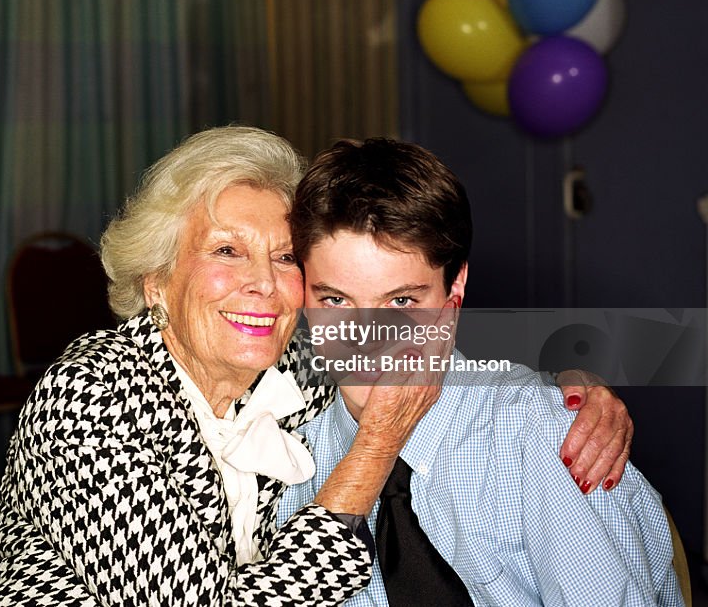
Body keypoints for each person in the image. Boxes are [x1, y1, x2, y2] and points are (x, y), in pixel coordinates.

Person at [0, 126, 633, 606]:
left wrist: (560, 395)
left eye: (286, 256)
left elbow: (416, 343)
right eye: (228, 250)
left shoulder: (291, 365)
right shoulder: (88, 394)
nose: (262, 283)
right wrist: (372, 451)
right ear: (155, 279)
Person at [279, 136, 681, 606]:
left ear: (456, 289)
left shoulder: (534, 433)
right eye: (336, 301)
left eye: (402, 301)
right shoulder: (286, 457)